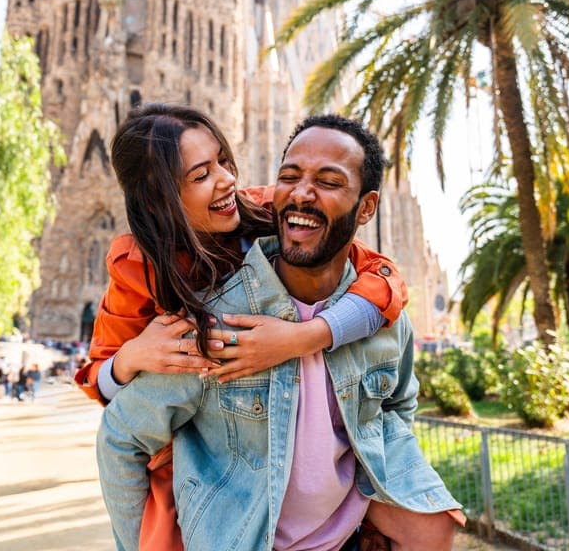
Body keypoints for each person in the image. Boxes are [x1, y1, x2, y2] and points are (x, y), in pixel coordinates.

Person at [98, 114, 463, 551]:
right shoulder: (171, 295)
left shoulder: (261, 211)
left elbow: (381, 284)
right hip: (226, 519)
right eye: (201, 174)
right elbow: (117, 424)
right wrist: (130, 359)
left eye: (224, 162)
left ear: (366, 207)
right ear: (160, 200)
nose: (226, 180)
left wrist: (306, 336)